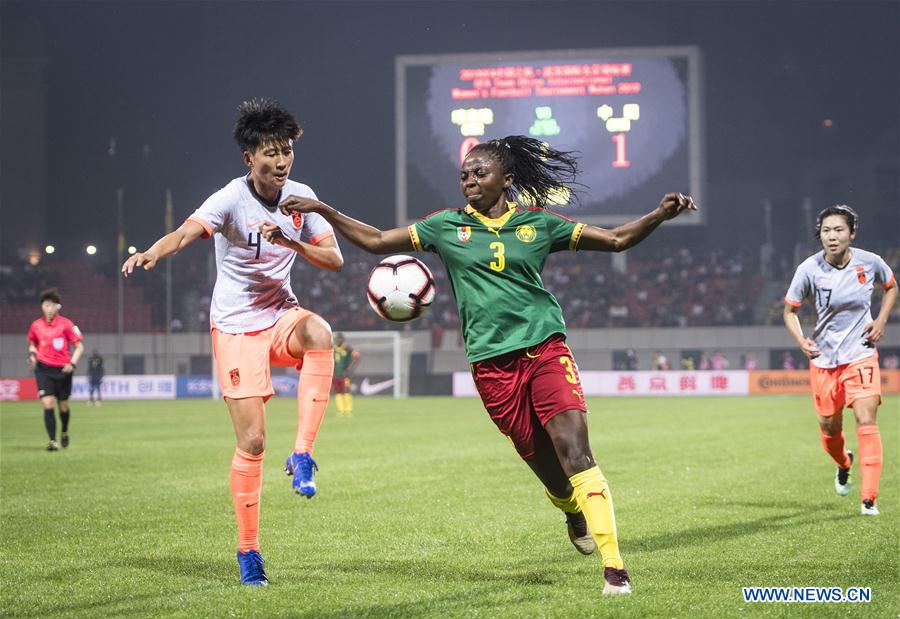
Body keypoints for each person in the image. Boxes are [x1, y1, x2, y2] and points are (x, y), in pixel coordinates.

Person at [279, 135, 696, 595]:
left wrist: (658, 215)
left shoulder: (539, 224)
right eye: (464, 175)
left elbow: (616, 240)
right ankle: (570, 509)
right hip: (492, 367)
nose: (470, 180)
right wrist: (323, 210)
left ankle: (614, 568)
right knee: (551, 472)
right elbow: (377, 241)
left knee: (575, 451)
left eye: (480, 173)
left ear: (506, 179)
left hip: (545, 348)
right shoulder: (445, 226)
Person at [122, 99, 343, 586]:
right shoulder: (229, 198)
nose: (281, 161)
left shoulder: (301, 198)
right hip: (237, 327)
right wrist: (153, 252)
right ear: (249, 157)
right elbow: (186, 232)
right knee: (253, 441)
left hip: (280, 315)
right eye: (271, 152)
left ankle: (303, 454)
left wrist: (290, 242)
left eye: (287, 151)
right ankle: (248, 551)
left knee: (321, 333)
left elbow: (335, 260)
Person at [784, 204, 896, 516]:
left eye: (838, 230)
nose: (832, 236)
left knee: (866, 419)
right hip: (824, 360)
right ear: (819, 235)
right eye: (826, 231)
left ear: (851, 234)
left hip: (861, 354)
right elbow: (790, 311)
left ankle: (869, 499)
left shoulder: (870, 262)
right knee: (829, 429)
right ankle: (844, 462)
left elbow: (891, 287)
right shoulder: (809, 269)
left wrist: (881, 320)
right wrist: (801, 340)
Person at [27, 288, 84, 450]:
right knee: (47, 402)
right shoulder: (36, 326)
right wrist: (32, 354)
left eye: (52, 305)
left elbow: (79, 347)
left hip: (63, 370)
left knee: (63, 405)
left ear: (58, 307)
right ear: (42, 306)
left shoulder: (67, 324)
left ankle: (64, 431)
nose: (49, 308)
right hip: (43, 369)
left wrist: (72, 364)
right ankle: (52, 441)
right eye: (46, 305)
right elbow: (33, 343)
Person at [332, 333, 360, 417]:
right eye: (338, 338)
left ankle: (348, 410)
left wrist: (350, 368)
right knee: (338, 392)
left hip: (345, 375)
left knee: (346, 391)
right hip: (335, 375)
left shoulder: (348, 348)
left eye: (341, 338)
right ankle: (341, 410)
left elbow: (357, 356)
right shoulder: (333, 350)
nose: (339, 340)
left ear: (343, 340)